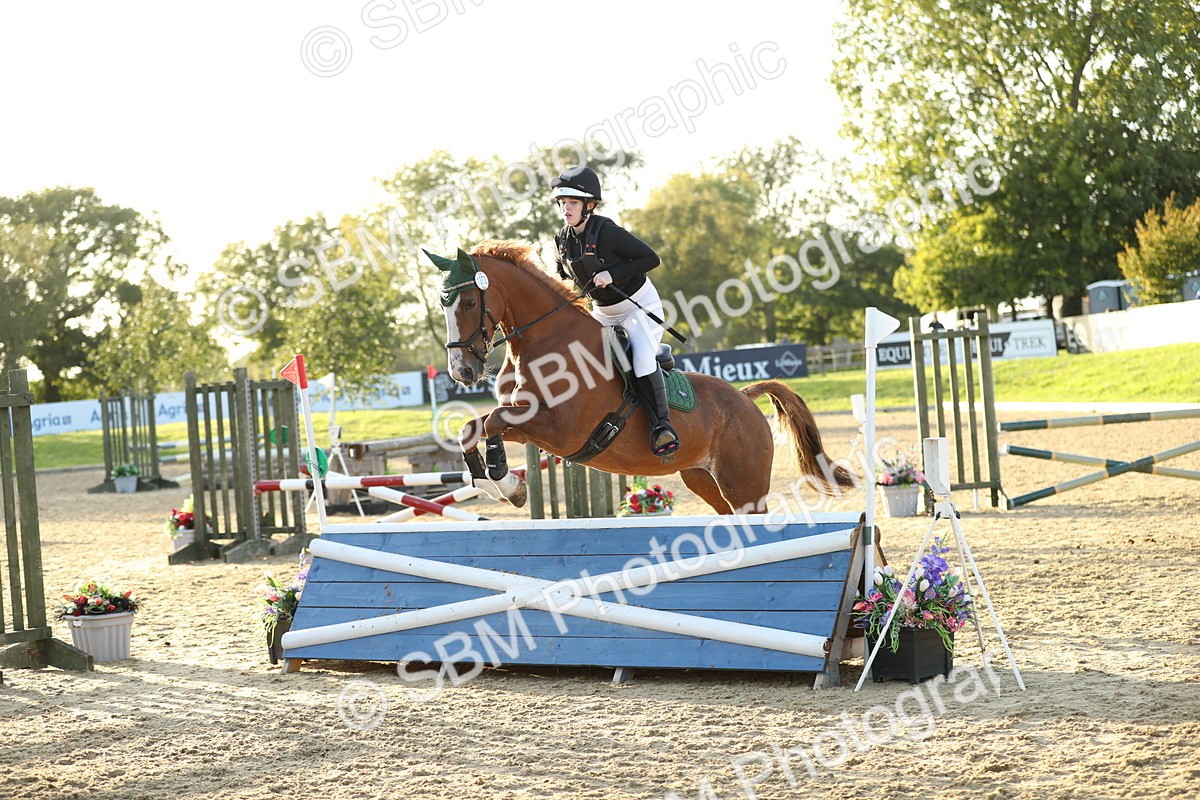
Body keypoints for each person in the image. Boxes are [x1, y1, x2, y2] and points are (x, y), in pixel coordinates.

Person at [550, 165, 680, 456]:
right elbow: (563, 278)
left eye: (572, 203)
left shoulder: (607, 231)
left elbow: (651, 258)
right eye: (562, 203)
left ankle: (662, 426)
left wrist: (613, 274)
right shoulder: (561, 240)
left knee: (642, 359)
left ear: (589, 205)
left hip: (639, 307)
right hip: (603, 313)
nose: (566, 209)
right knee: (577, 356)